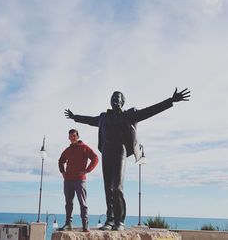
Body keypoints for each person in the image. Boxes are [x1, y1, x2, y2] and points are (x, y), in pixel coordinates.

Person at [64, 88, 190, 231]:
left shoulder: (129, 115)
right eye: (113, 98)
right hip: (106, 152)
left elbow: (150, 111)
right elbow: (89, 120)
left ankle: (120, 221)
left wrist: (171, 100)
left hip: (120, 151)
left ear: (122, 102)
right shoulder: (103, 117)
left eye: (118, 98)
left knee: (117, 187)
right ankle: (110, 220)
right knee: (107, 188)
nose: (115, 100)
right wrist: (75, 117)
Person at [58, 129, 99, 232]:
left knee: (83, 203)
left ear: (78, 136)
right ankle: (68, 224)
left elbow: (95, 158)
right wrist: (63, 172)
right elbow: (61, 161)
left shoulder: (84, 148)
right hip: (68, 180)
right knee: (68, 203)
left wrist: (87, 170)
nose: (72, 138)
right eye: (70, 136)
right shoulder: (68, 150)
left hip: (80, 180)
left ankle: (85, 225)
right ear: (69, 138)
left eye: (74, 136)